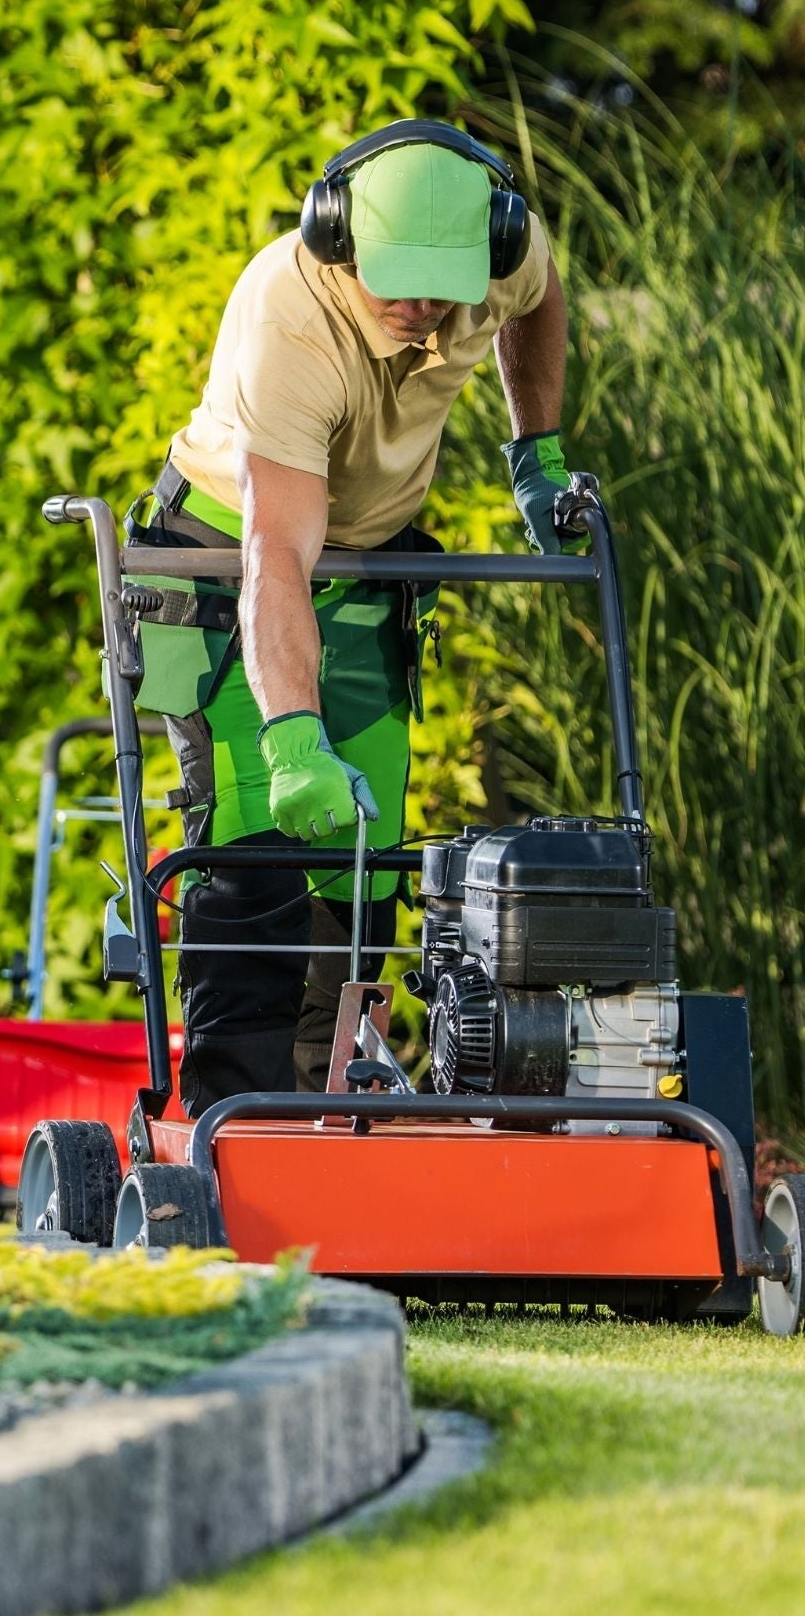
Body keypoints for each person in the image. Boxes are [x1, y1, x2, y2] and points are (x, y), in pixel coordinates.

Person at [130, 119, 571, 1118]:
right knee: (255, 857)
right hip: (224, 569)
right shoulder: (286, 315)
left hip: (369, 570)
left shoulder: (504, 258)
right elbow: (274, 551)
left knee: (362, 868)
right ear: (338, 239)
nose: (419, 302)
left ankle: (335, 1120)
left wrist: (533, 452)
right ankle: (228, 1135)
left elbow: (539, 302)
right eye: (395, 278)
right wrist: (291, 732)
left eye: (440, 279)